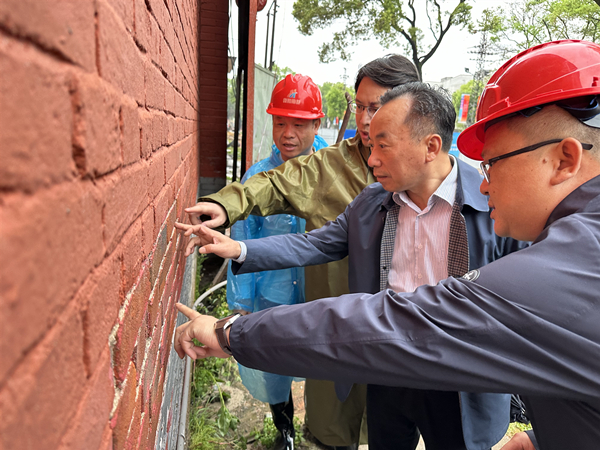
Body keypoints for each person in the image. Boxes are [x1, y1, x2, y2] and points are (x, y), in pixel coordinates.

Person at [174, 40, 600, 450]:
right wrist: (243, 251)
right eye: (367, 136)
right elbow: (321, 242)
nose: (371, 157)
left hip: (459, 379)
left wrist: (229, 332)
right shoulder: (372, 203)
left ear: (431, 146)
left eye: (382, 143)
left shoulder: (514, 226)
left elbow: (420, 322)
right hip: (389, 368)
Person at [183, 54, 420, 449]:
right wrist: (226, 206)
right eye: (360, 107)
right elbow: (275, 186)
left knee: (394, 422)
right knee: (329, 421)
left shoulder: (435, 180)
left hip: (403, 332)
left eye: (376, 108)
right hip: (330, 320)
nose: (366, 120)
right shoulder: (329, 165)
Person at [226, 73, 327, 450]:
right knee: (274, 370)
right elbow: (243, 239)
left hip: (320, 294)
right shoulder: (257, 177)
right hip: (273, 295)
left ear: (316, 124)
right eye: (280, 122)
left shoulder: (330, 170)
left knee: (325, 364)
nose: (288, 133)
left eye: (298, 124)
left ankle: (323, 428)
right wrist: (241, 304)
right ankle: (283, 429)